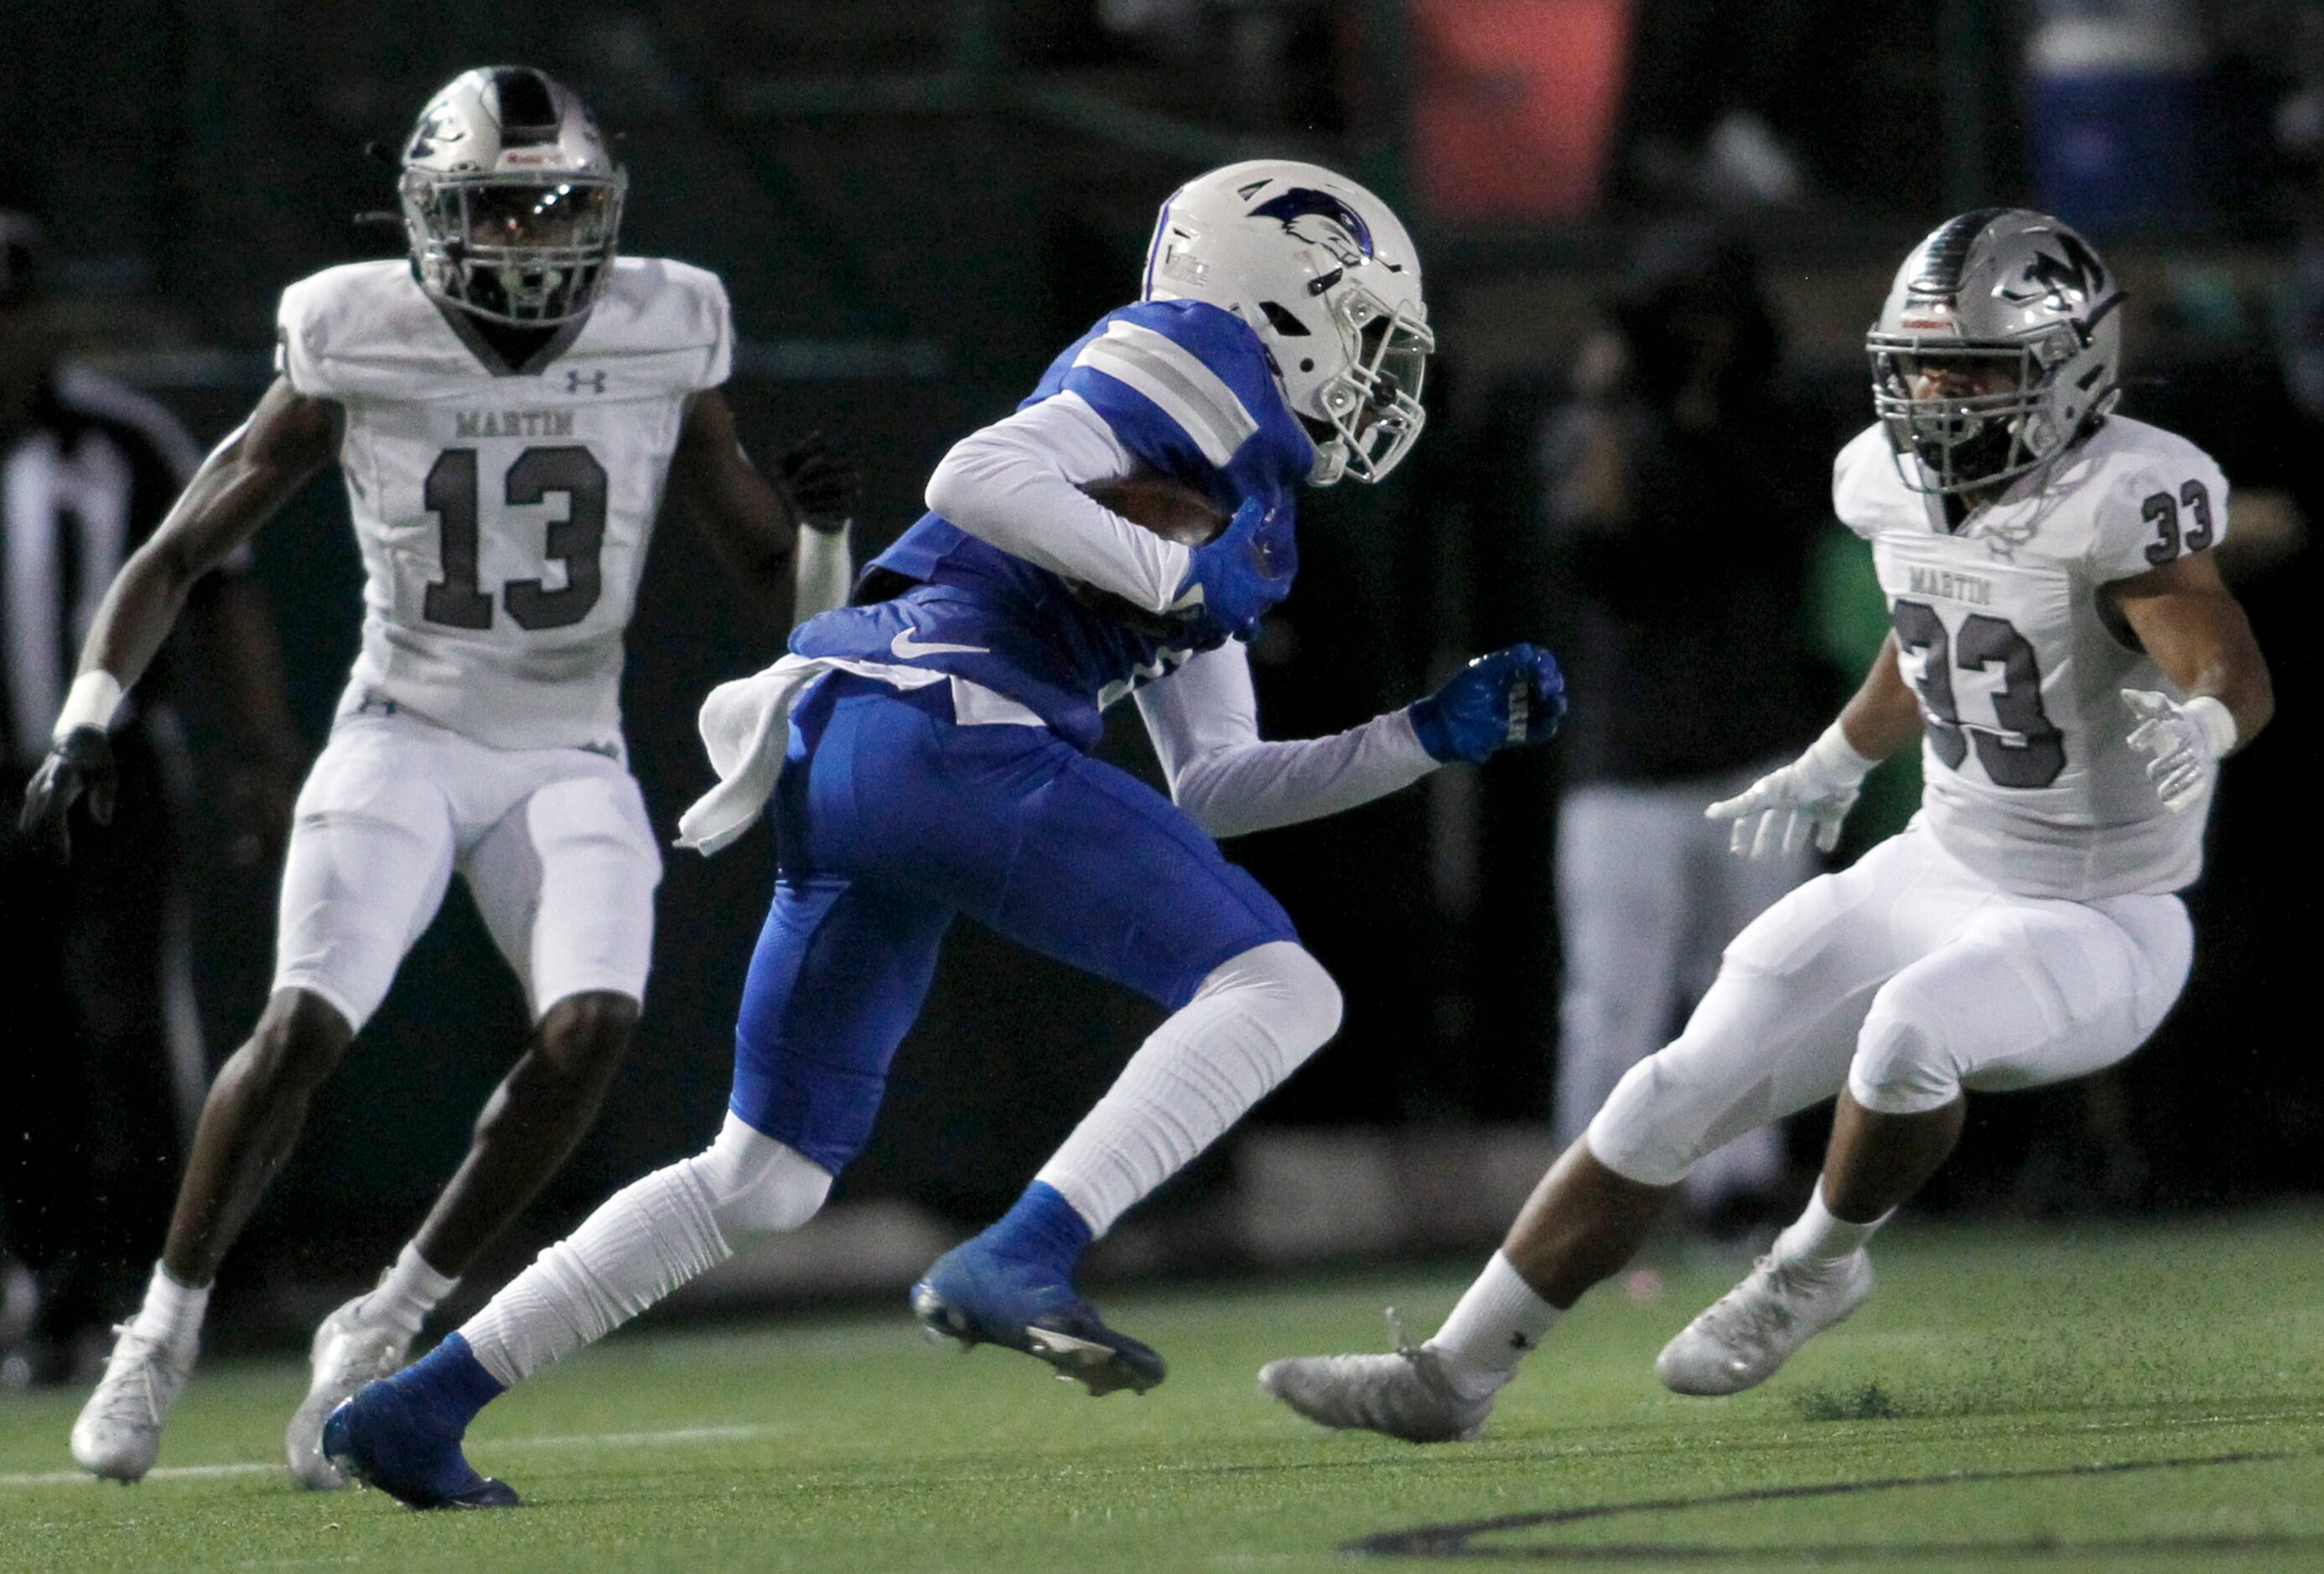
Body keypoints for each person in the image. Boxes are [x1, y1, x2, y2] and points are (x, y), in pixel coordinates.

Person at [319, 158, 1566, 1509]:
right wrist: (1164, 567)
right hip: (946, 721)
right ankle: (1024, 1247)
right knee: (1281, 985)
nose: (1380, 374)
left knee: (767, 1175)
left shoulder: (1241, 476)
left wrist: (1422, 737)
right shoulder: (1196, 354)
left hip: (857, 741)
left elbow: (1216, 780)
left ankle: (419, 1403)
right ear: (1279, 299)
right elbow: (976, 476)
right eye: (1367, 330)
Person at [1259, 207, 2273, 1441]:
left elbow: (2224, 658)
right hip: (1937, 865)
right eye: (1919, 369)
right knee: (1665, 1087)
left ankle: (1813, 1264)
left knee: (1910, 1030)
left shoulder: (2125, 491)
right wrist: (1836, 759)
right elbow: (1932, 636)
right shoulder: (1886, 477)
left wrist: (2206, 721)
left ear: (2071, 372)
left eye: (1973, 372)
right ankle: (1451, 1374)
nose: (1938, 400)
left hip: (2101, 914)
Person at [19, 67, 858, 1487]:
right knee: (300, 1025)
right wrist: (87, 713)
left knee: (593, 1025)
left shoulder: (667, 323)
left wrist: (829, 540)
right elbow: (171, 552)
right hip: (401, 727)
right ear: (426, 217)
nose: (531, 242)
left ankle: (389, 1312)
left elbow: (774, 565)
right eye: (500, 210)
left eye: (557, 209)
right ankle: (159, 1328)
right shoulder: (357, 331)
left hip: (570, 743)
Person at [0, 209, 299, 1386]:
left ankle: (169, 1277)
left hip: (109, 779)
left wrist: (264, 753)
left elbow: (219, 589)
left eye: (14, 312)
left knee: (133, 1026)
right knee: (20, 1044)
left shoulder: (127, 440)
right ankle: (51, 1287)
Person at [1537, 226, 1826, 1230]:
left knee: (1754, 988)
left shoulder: (1775, 425)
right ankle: (1585, 1198)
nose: (1698, 338)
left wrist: (1707, 418)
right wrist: (1611, 401)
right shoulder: (1599, 428)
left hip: (1755, 753)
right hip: (1627, 763)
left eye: (1715, 316)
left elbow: (1791, 522)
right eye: (1679, 318)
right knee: (1612, 1001)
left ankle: (1737, 1190)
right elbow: (1591, 536)